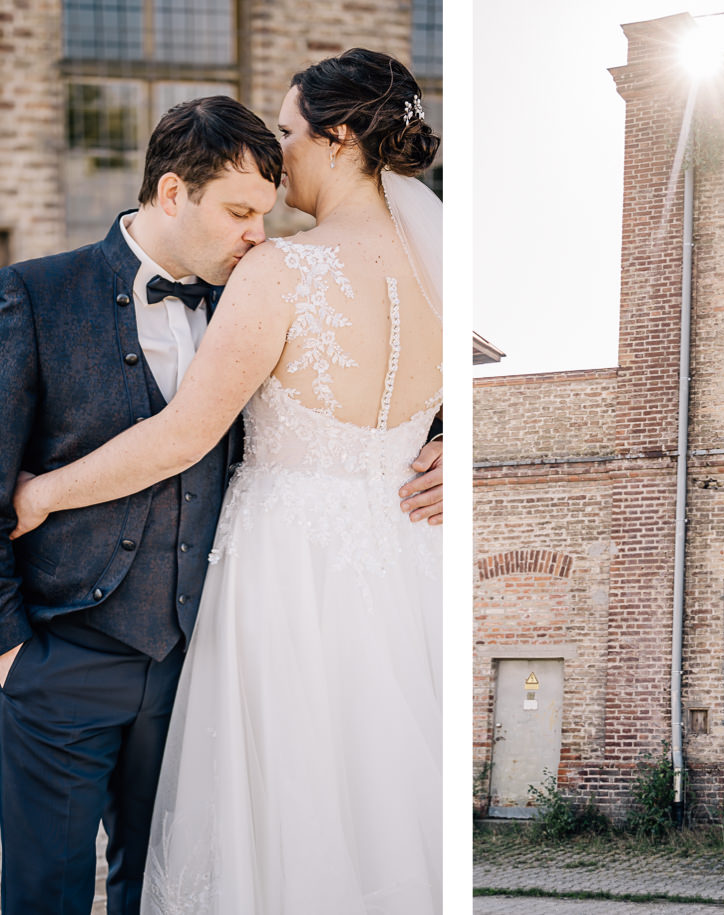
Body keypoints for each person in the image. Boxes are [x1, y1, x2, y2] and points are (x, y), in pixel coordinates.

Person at [9, 49, 444, 913]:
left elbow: (182, 435)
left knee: (266, 818)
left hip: (269, 588)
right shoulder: (439, 272)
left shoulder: (281, 270)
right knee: (376, 795)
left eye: (288, 135)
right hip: (397, 574)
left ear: (342, 136)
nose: (280, 175)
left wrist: (43, 492)